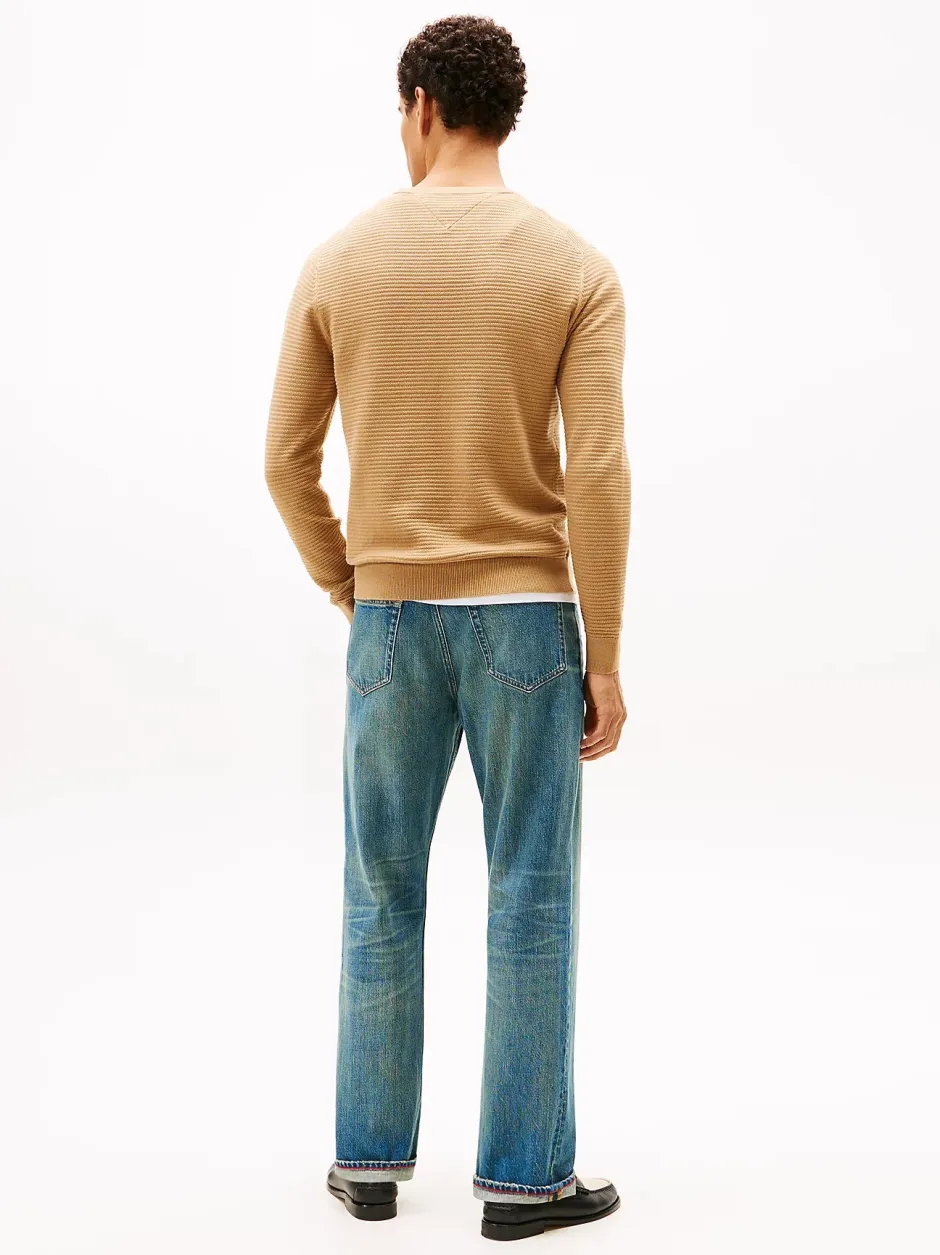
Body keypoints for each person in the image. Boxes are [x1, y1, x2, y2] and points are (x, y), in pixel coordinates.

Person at [264, 15, 630, 1242]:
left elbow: (283, 460)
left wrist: (350, 584)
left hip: (392, 622)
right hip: (527, 621)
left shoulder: (339, 260)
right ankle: (525, 1183)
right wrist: (605, 654)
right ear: (501, 114)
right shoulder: (575, 268)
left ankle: (367, 1163)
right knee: (531, 894)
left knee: (381, 886)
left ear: (420, 105)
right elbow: (599, 472)